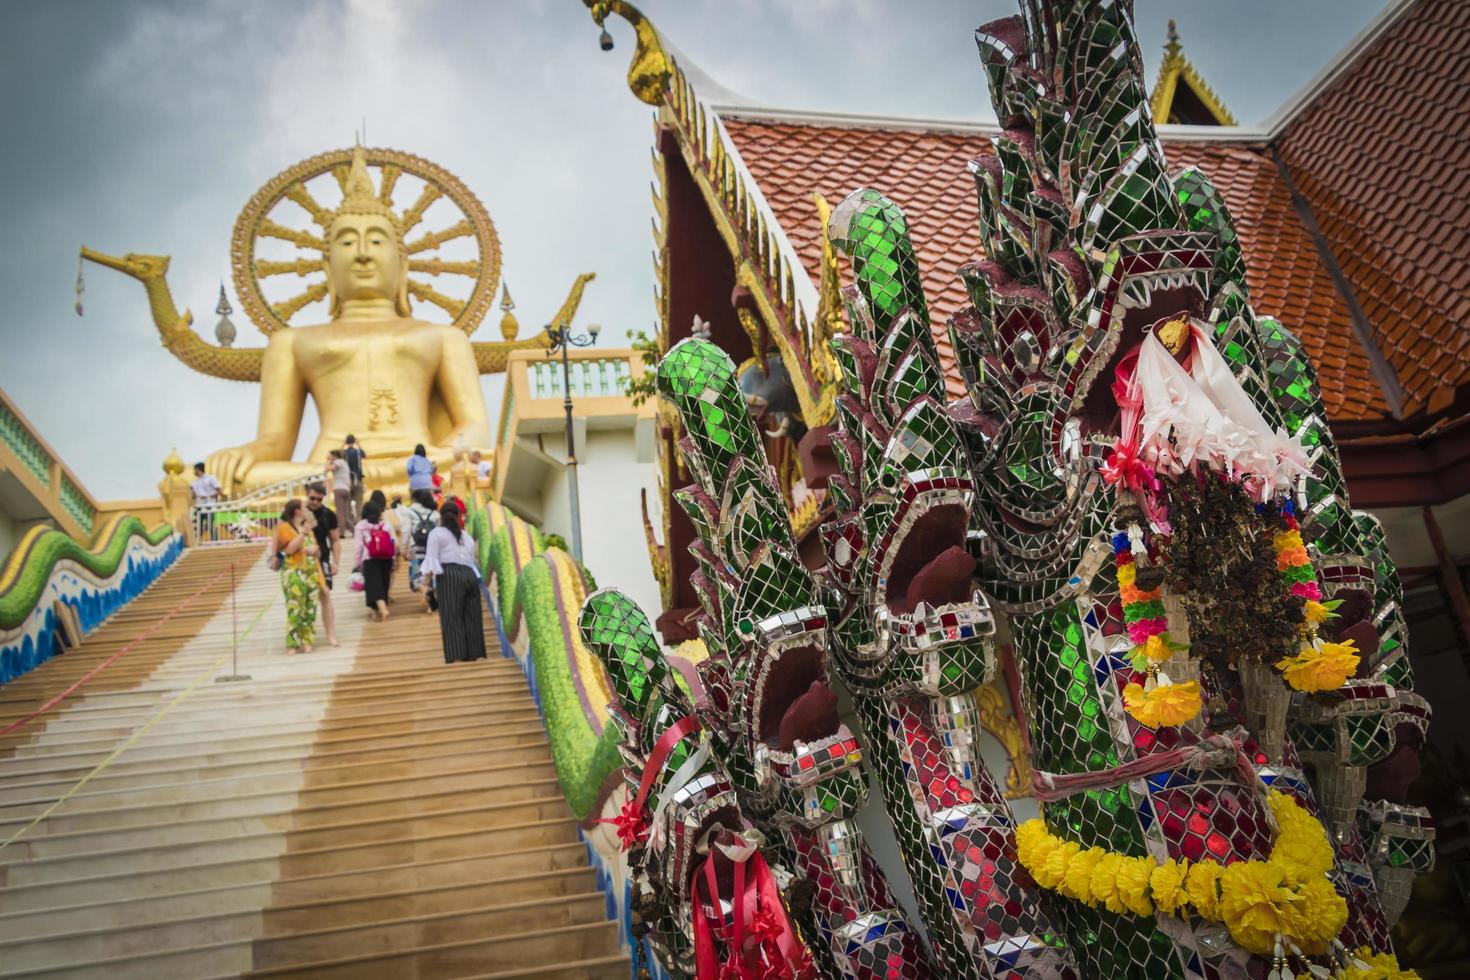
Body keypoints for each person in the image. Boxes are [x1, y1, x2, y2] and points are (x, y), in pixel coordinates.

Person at [421, 500, 486, 663]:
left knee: (452, 616)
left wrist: (426, 585)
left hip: (449, 575)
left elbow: (431, 560)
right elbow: (472, 559)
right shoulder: (467, 537)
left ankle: (457, 656)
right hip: (470, 575)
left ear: (441, 517)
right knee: (472, 616)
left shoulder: (437, 533)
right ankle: (475, 654)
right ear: (458, 517)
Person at [274, 499, 321, 652]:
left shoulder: (308, 528)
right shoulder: (284, 528)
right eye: (303, 507)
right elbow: (288, 550)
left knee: (310, 607)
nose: (306, 509)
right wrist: (302, 535)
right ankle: (292, 642)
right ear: (297, 511)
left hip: (310, 571)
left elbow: (315, 550)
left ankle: (307, 639)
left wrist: (314, 549)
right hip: (293, 571)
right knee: (295, 607)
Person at [304, 482, 340, 647]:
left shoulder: (328, 514)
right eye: (312, 498)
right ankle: (304, 637)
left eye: (319, 499)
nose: (316, 502)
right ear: (306, 494)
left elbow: (335, 540)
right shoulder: (297, 512)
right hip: (301, 559)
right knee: (303, 598)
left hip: (322, 559)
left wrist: (336, 562)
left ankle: (330, 634)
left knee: (325, 595)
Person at [353, 500, 395, 621]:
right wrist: (393, 557)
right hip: (386, 558)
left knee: (373, 585)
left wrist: (357, 563)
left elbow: (358, 546)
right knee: (383, 583)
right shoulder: (385, 525)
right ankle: (377, 609)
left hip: (370, 558)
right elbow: (392, 541)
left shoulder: (360, 526)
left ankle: (383, 610)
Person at [404, 488, 440, 597]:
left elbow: (406, 531)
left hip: (416, 546)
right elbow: (440, 531)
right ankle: (430, 601)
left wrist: (405, 548)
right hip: (432, 548)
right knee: (430, 571)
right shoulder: (435, 513)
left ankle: (423, 589)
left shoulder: (410, 511)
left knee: (416, 573)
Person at [190, 462, 222, 542]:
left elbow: (219, 491)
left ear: (198, 469)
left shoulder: (210, 478)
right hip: (199, 506)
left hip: (209, 505)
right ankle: (197, 542)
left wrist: (209, 496)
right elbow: (193, 495)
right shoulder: (194, 482)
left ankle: (215, 541)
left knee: (210, 524)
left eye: (195, 470)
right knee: (198, 525)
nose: (194, 472)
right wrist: (191, 492)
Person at [343, 434, 367, 528]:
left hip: (347, 481)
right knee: (359, 502)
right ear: (354, 441)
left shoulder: (344, 453)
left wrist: (342, 444)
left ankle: (351, 522)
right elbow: (365, 455)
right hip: (358, 479)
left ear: (346, 442)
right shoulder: (358, 452)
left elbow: (337, 454)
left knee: (347, 503)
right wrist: (359, 444)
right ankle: (358, 520)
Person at [327, 450, 351, 527]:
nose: (329, 457)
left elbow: (330, 468)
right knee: (346, 512)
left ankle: (341, 531)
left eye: (330, 456)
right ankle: (352, 530)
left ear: (334, 456)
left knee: (339, 512)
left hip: (339, 488)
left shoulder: (337, 461)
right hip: (346, 489)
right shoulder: (345, 463)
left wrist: (327, 463)